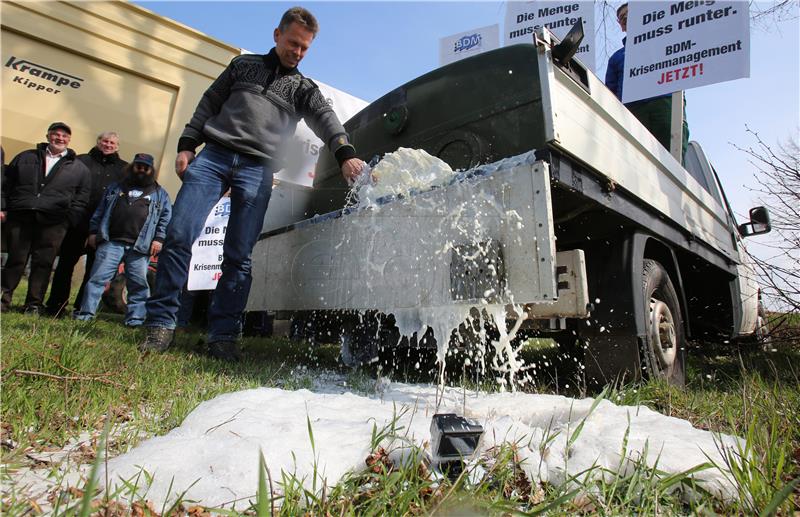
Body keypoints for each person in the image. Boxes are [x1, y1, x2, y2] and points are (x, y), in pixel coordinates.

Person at [138, 6, 365, 361]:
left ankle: (222, 335)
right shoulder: (241, 66)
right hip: (212, 157)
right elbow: (209, 102)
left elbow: (327, 120)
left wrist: (345, 154)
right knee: (179, 236)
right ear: (277, 35)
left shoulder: (304, 88)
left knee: (239, 256)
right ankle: (161, 324)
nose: (298, 52)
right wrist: (186, 145)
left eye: (305, 48)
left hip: (257, 170)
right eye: (293, 43)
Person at [1, 122, 90, 314]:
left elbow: (82, 197)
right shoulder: (26, 157)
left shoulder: (78, 168)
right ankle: (3, 299)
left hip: (54, 223)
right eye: (56, 134)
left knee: (43, 264)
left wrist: (69, 220)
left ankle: (33, 304)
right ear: (48, 136)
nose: (60, 138)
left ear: (69, 140)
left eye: (64, 136)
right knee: (15, 260)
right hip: (21, 216)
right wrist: (4, 207)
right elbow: (7, 184)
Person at [74, 153, 171, 326]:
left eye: (145, 167)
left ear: (151, 170)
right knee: (97, 279)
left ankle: (135, 319)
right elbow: (100, 211)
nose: (141, 170)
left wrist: (159, 239)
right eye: (138, 166)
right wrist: (93, 232)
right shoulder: (115, 188)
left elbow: (165, 219)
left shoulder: (160, 194)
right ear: (132, 167)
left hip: (141, 246)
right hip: (111, 242)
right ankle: (85, 315)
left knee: (138, 285)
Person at [46, 131, 128, 317]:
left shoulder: (124, 169)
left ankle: (82, 308)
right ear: (98, 142)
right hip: (77, 221)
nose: (108, 145)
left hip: (102, 227)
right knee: (65, 265)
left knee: (94, 270)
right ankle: (56, 306)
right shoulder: (81, 161)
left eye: (112, 143)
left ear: (117, 146)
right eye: (105, 141)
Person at [605, 3, 688, 156]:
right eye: (622, 18)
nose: (626, 19)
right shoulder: (616, 58)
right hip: (633, 111)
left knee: (672, 159)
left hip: (665, 102)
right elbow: (610, 94)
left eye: (630, 14)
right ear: (621, 26)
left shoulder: (666, 41)